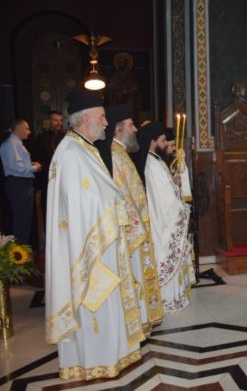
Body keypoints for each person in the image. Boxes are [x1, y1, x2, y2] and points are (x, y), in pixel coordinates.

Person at [45, 92, 145, 380]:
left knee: (108, 304)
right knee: (95, 304)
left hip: (104, 242)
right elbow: (79, 207)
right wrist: (115, 211)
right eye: (101, 117)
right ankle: (94, 360)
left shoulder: (84, 149)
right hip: (89, 249)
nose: (106, 122)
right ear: (85, 119)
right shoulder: (71, 154)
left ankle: (111, 355)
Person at [95, 104, 164, 334]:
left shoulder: (121, 153)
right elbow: (122, 198)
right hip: (131, 232)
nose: (135, 129)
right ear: (118, 130)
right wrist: (138, 229)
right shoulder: (114, 156)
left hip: (138, 229)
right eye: (131, 125)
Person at [135, 121, 193, 313]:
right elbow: (165, 200)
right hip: (161, 221)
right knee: (164, 252)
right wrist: (182, 209)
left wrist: (175, 183)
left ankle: (174, 297)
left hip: (163, 218)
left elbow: (167, 189)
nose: (165, 143)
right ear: (152, 142)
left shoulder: (157, 161)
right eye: (162, 140)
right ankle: (167, 299)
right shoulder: (151, 164)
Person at [0, 119, 41, 243]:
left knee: (24, 221)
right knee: (21, 221)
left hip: (21, 184)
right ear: (18, 129)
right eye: (26, 128)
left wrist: (31, 164)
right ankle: (20, 251)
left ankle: (22, 250)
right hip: (19, 184)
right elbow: (17, 167)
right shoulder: (12, 144)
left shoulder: (16, 143)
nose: (29, 132)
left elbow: (19, 164)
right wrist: (35, 168)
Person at [33, 110, 65, 215]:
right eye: (55, 120)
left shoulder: (66, 138)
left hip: (63, 178)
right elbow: (37, 159)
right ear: (49, 121)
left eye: (61, 120)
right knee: (48, 208)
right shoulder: (41, 138)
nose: (59, 123)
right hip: (47, 179)